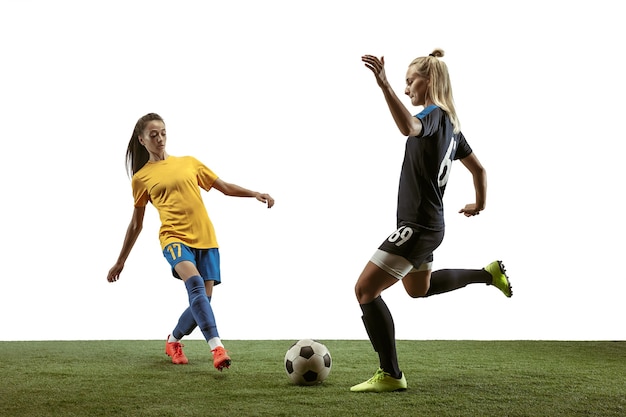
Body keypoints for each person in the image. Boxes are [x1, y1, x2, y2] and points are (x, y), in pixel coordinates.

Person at [350, 50, 512, 393]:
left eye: (411, 81)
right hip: (430, 226)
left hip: (418, 227)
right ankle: (488, 274)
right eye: (404, 83)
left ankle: (391, 374)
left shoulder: (435, 116)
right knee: (417, 289)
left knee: (365, 290)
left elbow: (409, 127)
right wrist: (478, 205)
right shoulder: (453, 126)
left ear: (431, 81)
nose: (407, 88)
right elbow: (479, 170)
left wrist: (383, 85)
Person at [107, 113, 274, 371]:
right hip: (174, 237)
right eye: (153, 135)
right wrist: (120, 262)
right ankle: (217, 348)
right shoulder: (141, 178)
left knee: (203, 301)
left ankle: (173, 341)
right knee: (195, 285)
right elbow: (136, 224)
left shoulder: (189, 163)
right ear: (141, 140)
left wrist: (255, 194)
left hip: (206, 238)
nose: (160, 138)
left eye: (163, 132)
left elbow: (224, 187)